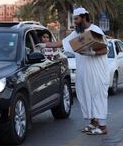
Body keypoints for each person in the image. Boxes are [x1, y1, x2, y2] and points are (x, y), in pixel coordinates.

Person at [37, 7, 109, 135]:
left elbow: (105, 50)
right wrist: (44, 45)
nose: (74, 22)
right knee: (85, 96)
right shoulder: (77, 33)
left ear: (83, 17)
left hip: (97, 72)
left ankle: (102, 127)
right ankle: (93, 124)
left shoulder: (95, 30)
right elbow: (61, 43)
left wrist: (92, 53)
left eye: (76, 19)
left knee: (97, 96)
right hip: (84, 71)